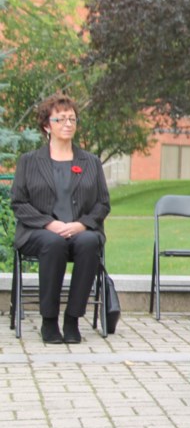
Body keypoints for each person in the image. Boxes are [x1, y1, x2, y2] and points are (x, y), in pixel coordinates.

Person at [11, 93, 110, 344]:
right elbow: (19, 203)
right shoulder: (29, 162)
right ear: (47, 125)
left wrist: (81, 224)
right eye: (61, 119)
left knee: (89, 242)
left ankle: (72, 319)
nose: (68, 124)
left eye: (72, 119)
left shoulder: (91, 162)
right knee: (52, 243)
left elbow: (103, 204)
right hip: (39, 232)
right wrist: (50, 224)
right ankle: (49, 321)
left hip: (80, 230)